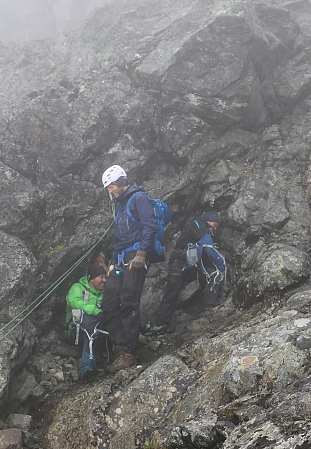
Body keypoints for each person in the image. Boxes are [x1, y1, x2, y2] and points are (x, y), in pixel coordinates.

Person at [100, 164, 159, 372]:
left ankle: (128, 351)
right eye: (108, 188)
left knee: (128, 301)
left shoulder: (138, 199)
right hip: (120, 257)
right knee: (109, 302)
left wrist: (142, 253)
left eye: (111, 186)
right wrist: (113, 260)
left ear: (121, 183)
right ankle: (120, 345)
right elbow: (119, 237)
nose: (110, 191)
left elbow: (149, 225)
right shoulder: (120, 205)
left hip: (136, 256)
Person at [146, 210, 227, 334]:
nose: (215, 229)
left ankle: (209, 307)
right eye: (215, 225)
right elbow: (210, 250)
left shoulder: (203, 229)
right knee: (171, 291)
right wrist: (222, 268)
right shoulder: (198, 225)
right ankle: (160, 324)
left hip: (191, 265)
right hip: (179, 262)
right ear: (208, 221)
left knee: (211, 275)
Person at [64, 264, 109, 382]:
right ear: (92, 278)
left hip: (96, 327)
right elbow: (73, 302)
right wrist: (96, 311)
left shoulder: (104, 292)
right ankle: (85, 369)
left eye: (105, 277)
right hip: (75, 328)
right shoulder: (78, 288)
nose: (104, 280)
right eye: (101, 277)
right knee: (91, 332)